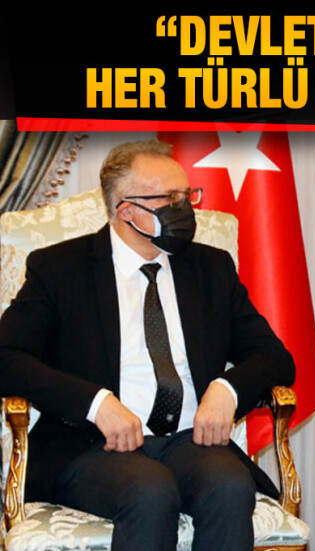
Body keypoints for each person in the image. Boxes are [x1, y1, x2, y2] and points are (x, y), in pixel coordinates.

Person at [0, 141, 296, 551]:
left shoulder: (210, 268)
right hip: (92, 446)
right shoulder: (59, 269)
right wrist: (96, 404)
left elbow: (275, 358)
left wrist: (226, 390)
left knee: (229, 486)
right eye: (169, 199)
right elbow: (7, 358)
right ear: (126, 210)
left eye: (187, 196)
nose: (185, 209)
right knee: (150, 491)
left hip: (190, 441)